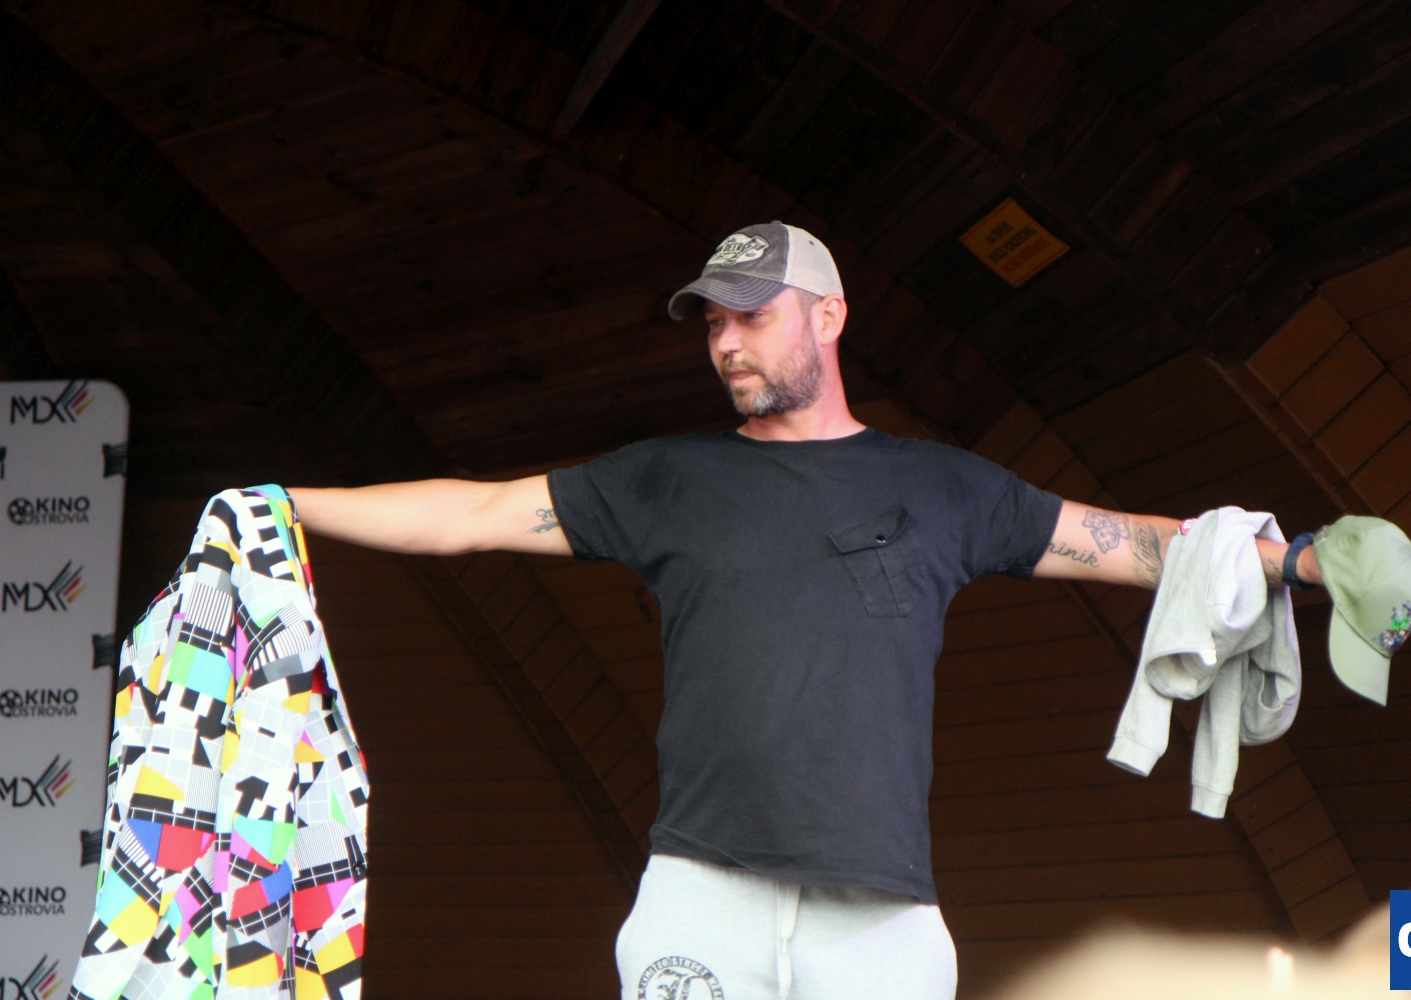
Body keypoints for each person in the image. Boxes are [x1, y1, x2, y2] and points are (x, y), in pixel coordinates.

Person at [290, 222, 1324, 1000]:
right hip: (699, 896)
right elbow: (472, 513)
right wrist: (283, 504)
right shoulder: (667, 480)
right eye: (714, 323)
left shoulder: (945, 487)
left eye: (753, 315)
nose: (727, 342)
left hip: (880, 919)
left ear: (828, 316)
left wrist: (1304, 560)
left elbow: (1139, 546)